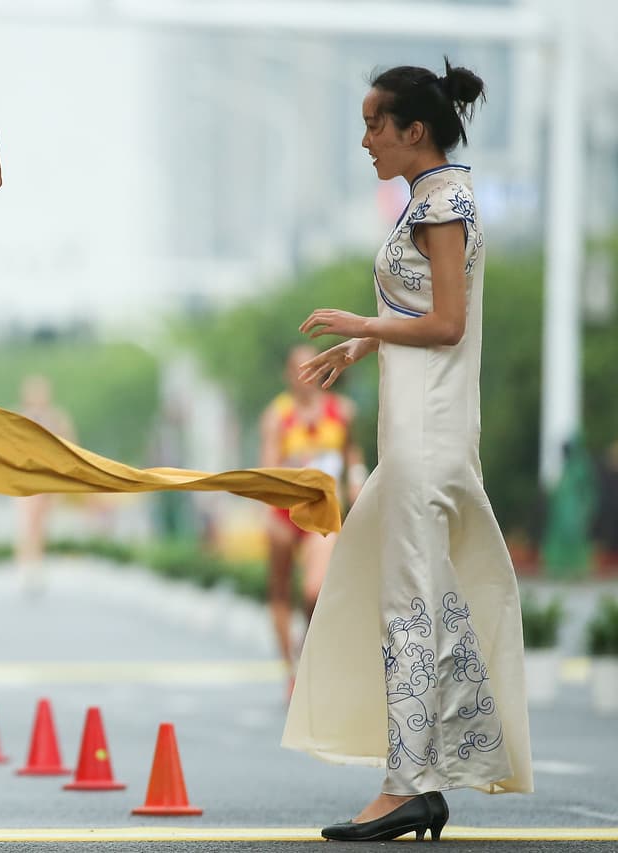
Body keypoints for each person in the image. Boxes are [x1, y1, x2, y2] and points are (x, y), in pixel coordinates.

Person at [281, 59, 532, 841]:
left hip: (428, 435)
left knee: (410, 607)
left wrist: (362, 325)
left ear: (413, 129)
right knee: (412, 600)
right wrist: (361, 347)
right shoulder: (429, 197)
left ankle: (408, 786)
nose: (365, 141)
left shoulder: (444, 203)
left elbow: (448, 323)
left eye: (374, 125)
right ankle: (420, 777)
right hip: (415, 433)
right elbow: (419, 305)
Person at [259, 344, 364, 694]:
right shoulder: (277, 416)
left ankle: (306, 647)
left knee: (314, 589)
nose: (306, 376)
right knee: (280, 588)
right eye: (299, 369)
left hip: (322, 510)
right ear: (288, 375)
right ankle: (290, 672)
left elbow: (351, 453)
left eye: (312, 368)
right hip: (285, 512)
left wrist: (356, 480)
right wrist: (268, 511)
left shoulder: (342, 411)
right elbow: (268, 466)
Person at [14, 375, 74, 594]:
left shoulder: (56, 417)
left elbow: (69, 443)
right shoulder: (20, 417)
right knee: (28, 523)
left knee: (41, 524)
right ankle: (26, 566)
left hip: (48, 477)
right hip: (26, 478)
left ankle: (36, 564)